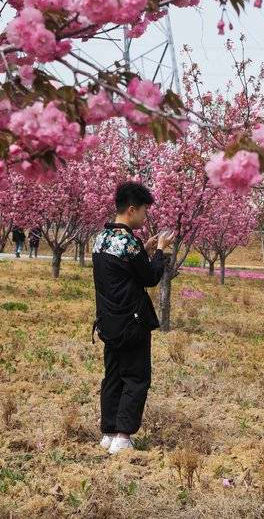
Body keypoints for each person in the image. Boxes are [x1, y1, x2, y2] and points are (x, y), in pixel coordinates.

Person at [91, 181, 174, 455]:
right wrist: (160, 251)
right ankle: (124, 437)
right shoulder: (129, 242)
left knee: (113, 376)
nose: (145, 217)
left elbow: (124, 272)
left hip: (108, 321)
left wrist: (145, 250)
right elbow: (149, 277)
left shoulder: (101, 238)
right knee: (136, 377)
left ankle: (109, 432)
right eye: (143, 211)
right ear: (131, 209)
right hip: (133, 322)